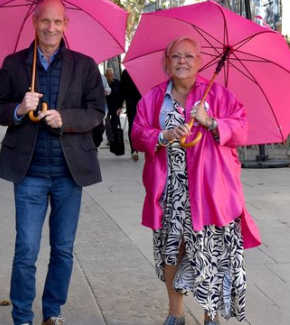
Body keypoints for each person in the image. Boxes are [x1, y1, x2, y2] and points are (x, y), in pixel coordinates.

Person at [0, 0, 105, 325]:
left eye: (57, 22)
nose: (51, 28)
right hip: (29, 173)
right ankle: (23, 316)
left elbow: (97, 111)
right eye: (45, 21)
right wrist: (18, 109)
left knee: (63, 249)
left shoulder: (84, 65)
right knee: (26, 250)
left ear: (66, 25)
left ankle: (52, 312)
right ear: (34, 22)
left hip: (71, 172)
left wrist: (64, 118)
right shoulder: (14, 65)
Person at [130, 36, 261, 325]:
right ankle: (175, 314)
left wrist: (211, 121)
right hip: (169, 190)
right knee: (172, 250)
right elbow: (137, 134)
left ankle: (210, 315)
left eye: (189, 56)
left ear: (200, 62)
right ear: (166, 63)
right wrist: (162, 136)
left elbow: (241, 130)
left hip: (210, 190)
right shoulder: (153, 98)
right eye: (175, 56)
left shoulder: (219, 95)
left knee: (209, 251)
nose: (182, 62)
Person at [118, 69, 142, 160]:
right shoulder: (126, 72)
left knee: (140, 127)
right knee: (132, 126)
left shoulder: (143, 71)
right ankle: (134, 150)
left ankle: (139, 148)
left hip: (142, 103)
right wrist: (120, 105)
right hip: (133, 103)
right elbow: (122, 89)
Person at [104, 67, 122, 146]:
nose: (110, 77)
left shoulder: (117, 82)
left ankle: (114, 138)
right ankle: (109, 139)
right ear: (105, 75)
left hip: (115, 107)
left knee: (115, 123)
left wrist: (120, 107)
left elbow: (121, 95)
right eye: (108, 76)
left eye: (111, 75)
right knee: (107, 123)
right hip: (106, 106)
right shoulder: (104, 83)